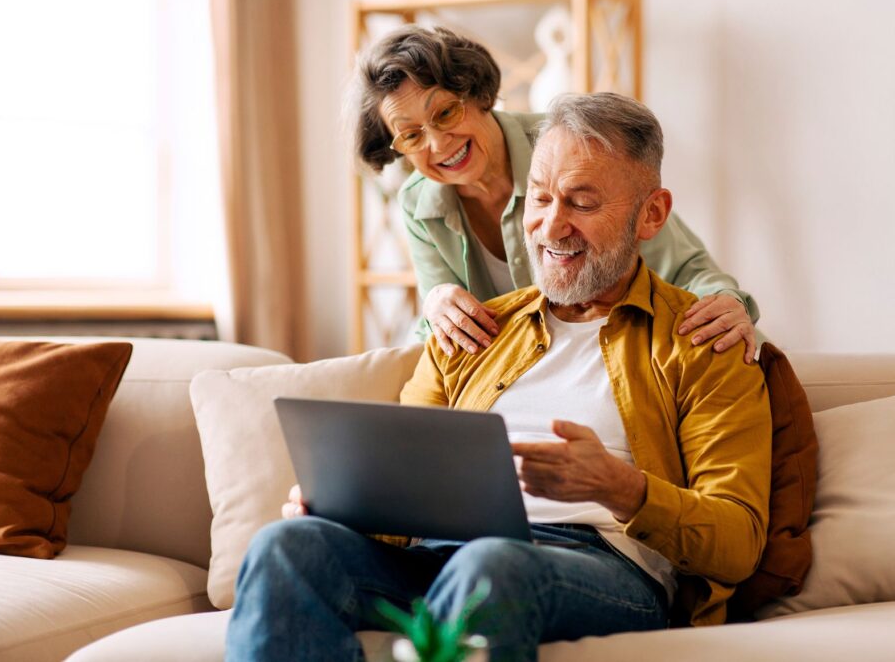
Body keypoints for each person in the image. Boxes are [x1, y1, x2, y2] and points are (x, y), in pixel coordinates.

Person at [226, 93, 772, 661]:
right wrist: (340, 505)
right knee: (287, 546)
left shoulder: (703, 341)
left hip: (598, 565)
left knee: (488, 565)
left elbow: (737, 544)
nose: (551, 225)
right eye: (538, 198)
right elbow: (400, 493)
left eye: (582, 203)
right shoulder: (472, 333)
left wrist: (620, 488)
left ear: (652, 215)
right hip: (446, 553)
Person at [349, 25, 761, 362]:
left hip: (620, 356)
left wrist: (726, 303)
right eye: (411, 135)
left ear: (476, 94)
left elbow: (687, 269)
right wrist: (435, 303)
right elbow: (444, 331)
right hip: (524, 377)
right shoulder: (418, 203)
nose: (438, 145)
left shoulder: (569, 146)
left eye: (445, 113)